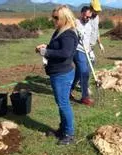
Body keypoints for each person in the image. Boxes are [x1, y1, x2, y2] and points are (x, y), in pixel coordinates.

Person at [36, 5, 78, 145]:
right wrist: (46, 47)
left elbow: (65, 53)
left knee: (63, 104)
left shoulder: (69, 34)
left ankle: (69, 134)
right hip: (57, 73)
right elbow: (57, 48)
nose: (52, 19)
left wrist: (46, 53)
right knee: (61, 103)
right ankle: (63, 129)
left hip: (62, 74)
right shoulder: (60, 31)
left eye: (56, 17)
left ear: (64, 18)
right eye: (52, 16)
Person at [70, 6, 94, 106]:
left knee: (79, 72)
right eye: (86, 16)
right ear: (82, 13)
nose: (88, 19)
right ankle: (85, 97)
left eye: (90, 17)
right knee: (84, 72)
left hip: (86, 51)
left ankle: (68, 91)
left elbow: (88, 40)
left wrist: (90, 51)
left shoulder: (89, 25)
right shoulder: (75, 23)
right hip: (77, 51)